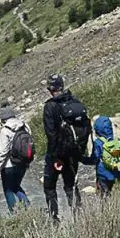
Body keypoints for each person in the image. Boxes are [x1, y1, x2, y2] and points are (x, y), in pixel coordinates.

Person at [42, 74, 91, 223]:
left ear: (50, 89)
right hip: (74, 152)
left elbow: (51, 135)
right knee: (70, 184)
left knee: (49, 186)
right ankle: (78, 214)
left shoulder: (50, 106)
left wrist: (54, 157)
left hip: (57, 154)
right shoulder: (74, 101)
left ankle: (55, 218)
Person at [0, 105, 33, 214]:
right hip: (23, 163)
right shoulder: (25, 126)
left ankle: (14, 214)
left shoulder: (5, 131)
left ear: (3, 119)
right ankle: (28, 208)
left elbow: (3, 152)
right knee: (16, 186)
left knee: (8, 189)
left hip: (9, 166)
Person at [82, 115, 120, 199]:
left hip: (102, 174)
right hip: (114, 172)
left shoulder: (98, 142)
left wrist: (83, 159)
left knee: (103, 194)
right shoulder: (117, 142)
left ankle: (106, 209)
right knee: (108, 191)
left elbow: (94, 159)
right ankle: (110, 206)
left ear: (97, 129)